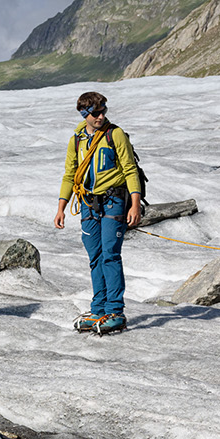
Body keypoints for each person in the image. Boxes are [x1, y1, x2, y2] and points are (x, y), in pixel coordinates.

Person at [53, 91, 142, 335]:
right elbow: (70, 175)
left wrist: (135, 205)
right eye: (95, 113)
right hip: (87, 203)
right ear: (84, 114)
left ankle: (115, 311)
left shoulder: (115, 135)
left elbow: (130, 170)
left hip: (114, 201)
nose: (101, 116)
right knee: (95, 256)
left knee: (110, 255)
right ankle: (98, 310)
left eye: (103, 111)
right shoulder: (77, 140)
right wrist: (61, 208)